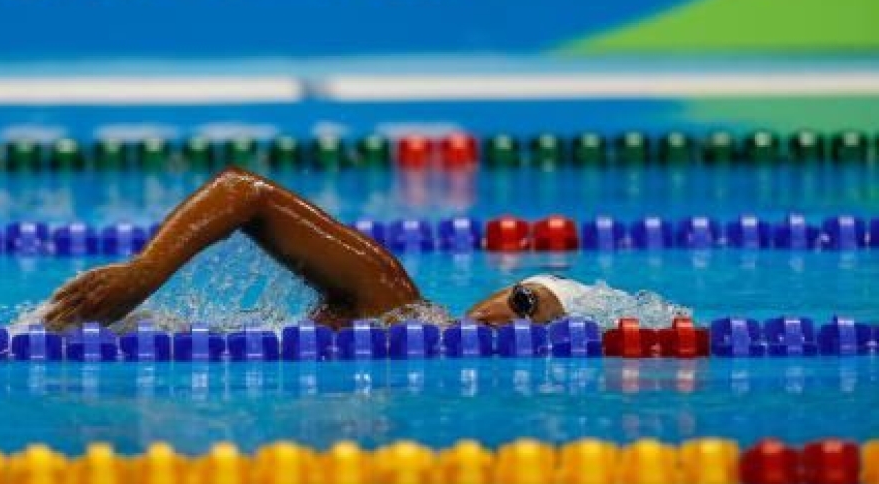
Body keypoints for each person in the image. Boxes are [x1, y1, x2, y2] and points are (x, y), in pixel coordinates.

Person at [41, 166, 595, 332]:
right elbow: (244, 193)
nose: (514, 322)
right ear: (498, 290)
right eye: (523, 301)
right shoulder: (394, 302)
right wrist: (143, 274)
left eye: (539, 323)